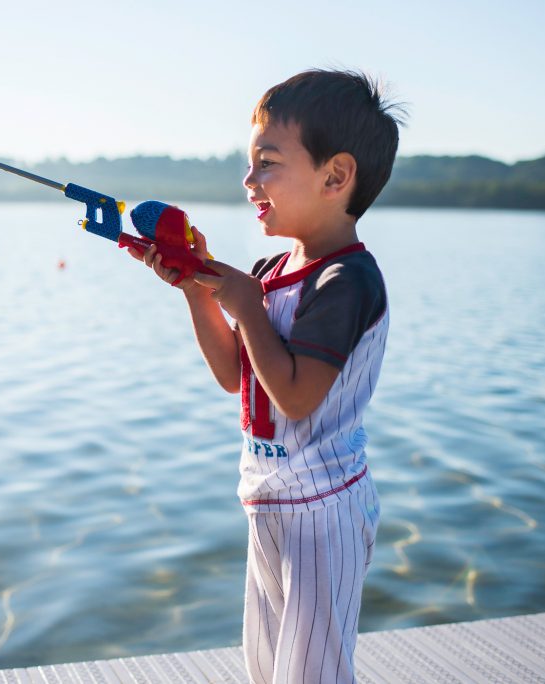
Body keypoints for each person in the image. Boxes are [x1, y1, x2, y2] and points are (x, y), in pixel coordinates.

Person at [130, 69, 402, 683]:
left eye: (268, 163)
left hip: (323, 510)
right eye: (249, 164)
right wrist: (198, 291)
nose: (249, 180)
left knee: (313, 674)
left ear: (335, 176)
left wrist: (247, 304)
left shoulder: (346, 280)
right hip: (267, 500)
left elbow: (299, 396)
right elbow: (236, 373)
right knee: (265, 666)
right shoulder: (269, 269)